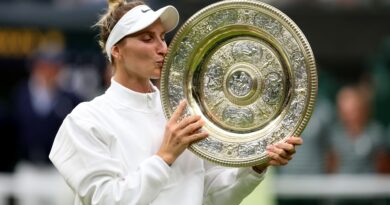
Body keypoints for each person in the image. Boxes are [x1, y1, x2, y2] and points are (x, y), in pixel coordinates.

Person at [49, 0, 303, 204]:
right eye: (147, 39)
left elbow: (213, 196)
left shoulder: (186, 110)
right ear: (116, 49)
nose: (162, 48)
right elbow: (105, 200)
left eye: (162, 37)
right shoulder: (85, 120)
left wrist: (256, 166)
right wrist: (164, 157)